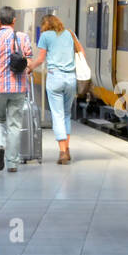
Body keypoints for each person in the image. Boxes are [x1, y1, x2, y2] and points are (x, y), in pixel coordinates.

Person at [0, 6, 33, 173]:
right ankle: (12, 163)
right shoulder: (24, 38)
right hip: (18, 88)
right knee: (14, 125)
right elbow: (29, 63)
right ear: (14, 20)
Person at [28, 13, 83, 165]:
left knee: (57, 115)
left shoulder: (45, 36)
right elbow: (81, 53)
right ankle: (67, 148)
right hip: (71, 79)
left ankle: (62, 152)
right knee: (66, 114)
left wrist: (30, 67)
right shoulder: (70, 34)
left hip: (55, 78)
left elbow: (40, 59)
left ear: (44, 26)